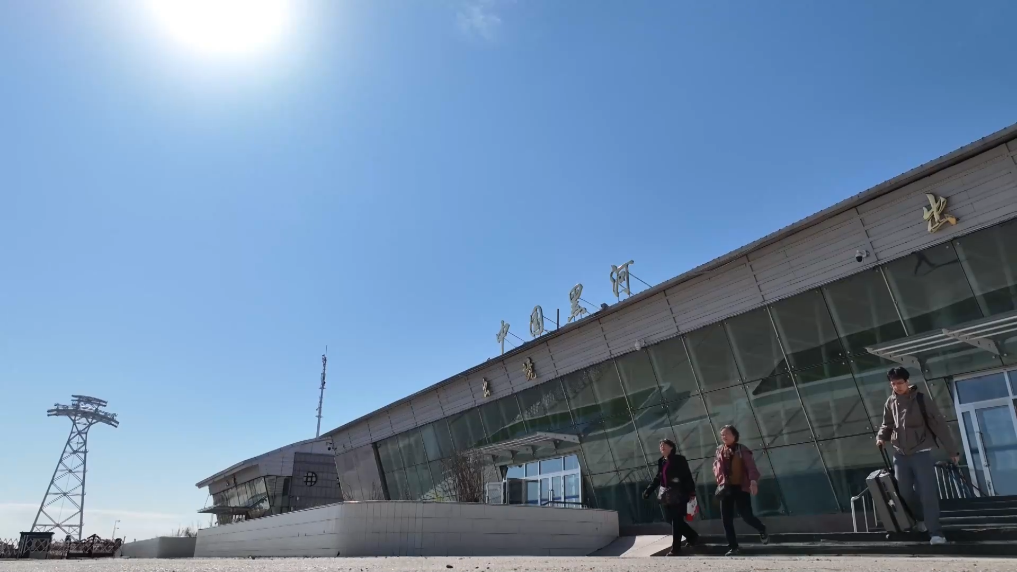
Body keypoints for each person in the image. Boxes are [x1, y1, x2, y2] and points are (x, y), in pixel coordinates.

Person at [876, 366, 960, 546]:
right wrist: (881, 437)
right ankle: (921, 519)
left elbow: (939, 425)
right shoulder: (890, 402)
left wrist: (952, 450)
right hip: (900, 455)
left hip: (921, 452)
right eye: (893, 384)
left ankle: (936, 533)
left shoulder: (922, 400)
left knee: (927, 494)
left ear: (907, 382)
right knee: (904, 493)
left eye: (900, 383)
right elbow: (887, 424)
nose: (897, 387)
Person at [713, 425, 768, 556]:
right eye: (722, 435)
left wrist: (753, 481)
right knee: (726, 519)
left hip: (741, 487)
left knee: (746, 516)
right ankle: (733, 547)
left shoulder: (742, 449)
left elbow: (751, 467)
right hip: (726, 488)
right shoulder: (719, 450)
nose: (724, 437)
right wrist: (720, 479)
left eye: (727, 434)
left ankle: (761, 528)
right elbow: (716, 466)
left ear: (734, 435)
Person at [642, 438, 699, 556]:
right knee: (671, 519)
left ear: (671, 447)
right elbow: (658, 478)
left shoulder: (679, 459)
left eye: (665, 445)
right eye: (660, 445)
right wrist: (648, 490)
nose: (662, 447)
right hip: (667, 495)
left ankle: (676, 548)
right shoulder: (662, 461)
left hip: (679, 494)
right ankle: (692, 536)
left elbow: (687, 476)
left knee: (676, 520)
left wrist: (691, 492)